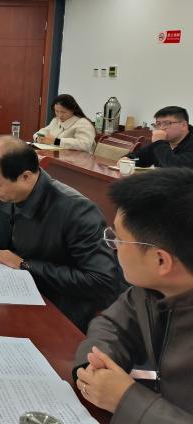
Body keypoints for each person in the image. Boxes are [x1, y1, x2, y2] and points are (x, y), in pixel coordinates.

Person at [0, 136, 120, 330]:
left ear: (25, 176)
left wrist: (24, 265)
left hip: (53, 308)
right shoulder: (10, 193)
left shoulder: (77, 211)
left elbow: (101, 281)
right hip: (6, 291)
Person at [74, 168, 193, 423]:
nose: (112, 246)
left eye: (119, 239)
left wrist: (125, 399)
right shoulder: (150, 287)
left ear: (161, 260)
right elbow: (112, 324)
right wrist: (95, 365)